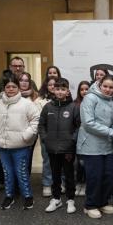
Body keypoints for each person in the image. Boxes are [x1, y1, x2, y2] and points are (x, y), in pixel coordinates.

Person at [0, 76, 40, 210]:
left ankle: (27, 197)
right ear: (4, 88)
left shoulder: (26, 104)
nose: (11, 89)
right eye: (8, 87)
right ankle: (9, 196)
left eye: (14, 87)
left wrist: (26, 136)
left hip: (20, 146)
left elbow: (35, 120)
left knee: (21, 172)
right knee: (7, 172)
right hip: (2, 147)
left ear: (18, 88)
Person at [77, 75, 113, 219]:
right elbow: (88, 123)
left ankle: (102, 202)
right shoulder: (90, 98)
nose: (108, 90)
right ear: (99, 85)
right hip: (91, 145)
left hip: (106, 146)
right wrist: (111, 132)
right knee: (94, 176)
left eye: (111, 87)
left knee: (109, 174)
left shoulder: (112, 103)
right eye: (105, 86)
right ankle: (90, 205)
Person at [39, 78, 80, 214]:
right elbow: (41, 125)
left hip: (68, 149)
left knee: (68, 174)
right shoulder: (48, 107)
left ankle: (70, 200)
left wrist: (72, 140)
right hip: (52, 148)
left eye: (63, 89)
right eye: (57, 89)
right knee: (55, 174)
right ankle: (56, 199)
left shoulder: (73, 107)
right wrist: (45, 139)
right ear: (53, 90)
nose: (60, 92)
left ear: (67, 91)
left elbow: (79, 126)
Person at [34, 77, 58, 197]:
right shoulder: (39, 101)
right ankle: (47, 184)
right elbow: (39, 120)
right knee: (47, 161)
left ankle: (60, 182)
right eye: (50, 85)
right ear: (46, 86)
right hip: (47, 135)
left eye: (55, 84)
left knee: (61, 161)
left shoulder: (64, 99)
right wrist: (44, 136)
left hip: (61, 136)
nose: (53, 87)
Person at [74, 81, 90, 196]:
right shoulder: (75, 104)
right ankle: (79, 182)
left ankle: (85, 184)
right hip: (78, 137)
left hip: (90, 137)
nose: (84, 91)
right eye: (82, 89)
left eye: (86, 89)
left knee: (87, 162)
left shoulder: (93, 102)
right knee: (79, 162)